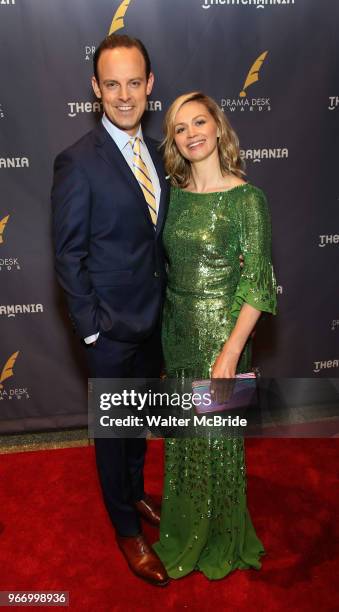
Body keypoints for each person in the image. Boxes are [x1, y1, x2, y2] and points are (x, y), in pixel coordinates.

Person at [51, 34, 170, 586]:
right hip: (111, 333)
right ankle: (126, 528)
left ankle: (137, 495)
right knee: (114, 431)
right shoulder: (77, 161)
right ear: (96, 89)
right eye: (112, 84)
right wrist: (93, 333)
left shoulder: (161, 152)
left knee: (139, 424)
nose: (125, 96)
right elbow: (69, 254)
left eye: (134, 83)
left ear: (150, 85)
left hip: (154, 324)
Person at [153, 92, 277, 580]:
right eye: (180, 128)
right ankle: (185, 527)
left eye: (199, 122)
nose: (191, 134)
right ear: (174, 141)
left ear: (218, 127)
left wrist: (230, 353)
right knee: (184, 437)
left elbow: (259, 284)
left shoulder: (248, 198)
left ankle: (222, 536)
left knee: (218, 440)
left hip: (222, 333)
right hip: (177, 328)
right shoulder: (172, 194)